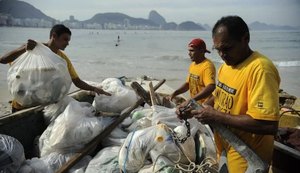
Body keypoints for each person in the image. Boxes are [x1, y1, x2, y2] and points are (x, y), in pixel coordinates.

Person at [177, 16, 280, 173]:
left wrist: (217, 117)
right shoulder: (226, 67)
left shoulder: (260, 69)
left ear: (245, 39)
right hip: (226, 147)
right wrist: (194, 110)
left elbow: (268, 124)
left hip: (248, 156)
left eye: (227, 48)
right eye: (218, 50)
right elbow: (219, 95)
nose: (222, 55)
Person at [0, 24, 111, 112]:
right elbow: (3, 60)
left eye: (68, 40)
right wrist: (24, 49)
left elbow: (76, 81)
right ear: (54, 36)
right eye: (65, 39)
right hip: (22, 105)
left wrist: (95, 89)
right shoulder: (33, 48)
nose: (67, 43)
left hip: (43, 107)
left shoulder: (62, 59)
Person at [169, 38, 216, 105]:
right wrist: (174, 93)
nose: (189, 54)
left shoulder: (207, 66)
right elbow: (188, 84)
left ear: (202, 51)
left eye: (192, 51)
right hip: (195, 103)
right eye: (189, 51)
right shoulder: (193, 65)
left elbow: (211, 87)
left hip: (205, 105)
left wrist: (191, 100)